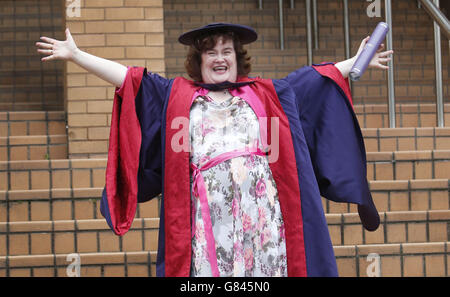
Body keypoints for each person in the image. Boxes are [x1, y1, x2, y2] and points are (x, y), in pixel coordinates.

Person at [36, 23, 393, 277]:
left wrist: (356, 61)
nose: (219, 58)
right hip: (208, 223)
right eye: (211, 52)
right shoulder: (178, 96)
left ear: (238, 59)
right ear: (199, 60)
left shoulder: (268, 94)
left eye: (227, 51)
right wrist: (77, 55)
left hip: (264, 223)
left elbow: (315, 79)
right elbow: (130, 78)